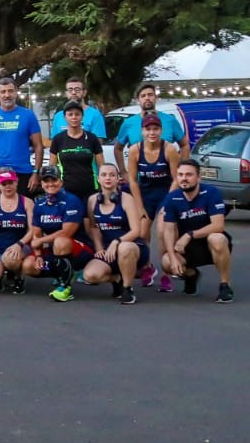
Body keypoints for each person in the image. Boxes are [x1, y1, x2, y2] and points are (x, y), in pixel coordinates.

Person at [158, 159, 233, 302]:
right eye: (180, 175)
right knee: (166, 262)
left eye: (189, 174)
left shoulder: (211, 192)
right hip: (186, 247)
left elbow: (218, 225)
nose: (184, 178)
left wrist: (189, 235)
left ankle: (225, 285)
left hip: (209, 243)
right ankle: (191, 275)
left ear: (198, 177)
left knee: (217, 238)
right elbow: (168, 230)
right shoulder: (172, 198)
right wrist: (173, 257)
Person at [127, 113, 181, 292]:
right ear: (142, 131)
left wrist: (168, 203)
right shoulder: (135, 150)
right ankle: (147, 267)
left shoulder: (169, 149)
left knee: (163, 231)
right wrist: (139, 206)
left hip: (167, 192)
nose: (152, 133)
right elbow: (132, 180)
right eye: (148, 129)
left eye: (155, 129)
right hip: (146, 194)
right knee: (142, 233)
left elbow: (176, 178)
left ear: (161, 130)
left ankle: (166, 274)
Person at [83, 162, 147, 305]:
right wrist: (99, 248)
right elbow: (94, 227)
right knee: (90, 276)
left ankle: (127, 289)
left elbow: (136, 230)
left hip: (132, 246)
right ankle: (117, 279)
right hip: (108, 249)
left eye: (112, 175)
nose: (108, 178)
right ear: (98, 178)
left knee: (125, 248)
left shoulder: (127, 199)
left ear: (118, 178)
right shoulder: (92, 200)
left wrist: (117, 241)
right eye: (104, 175)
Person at [0, 79, 45, 195]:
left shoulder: (28, 115)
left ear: (16, 92)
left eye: (10, 91)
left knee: (22, 205)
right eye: (3, 92)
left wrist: (35, 173)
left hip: (23, 171)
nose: (7, 95)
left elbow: (38, 146)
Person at [112, 83, 188, 157]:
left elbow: (185, 145)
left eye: (150, 95)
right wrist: (121, 166)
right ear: (138, 100)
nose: (147, 98)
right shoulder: (128, 123)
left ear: (156, 98)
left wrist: (182, 164)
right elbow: (118, 149)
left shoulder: (170, 120)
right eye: (143, 96)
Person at [49, 102, 102, 202]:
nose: (74, 117)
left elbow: (101, 165)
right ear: (65, 117)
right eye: (70, 114)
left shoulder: (92, 138)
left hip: (90, 189)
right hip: (65, 191)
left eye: (77, 114)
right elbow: (52, 167)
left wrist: (102, 186)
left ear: (82, 116)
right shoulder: (58, 139)